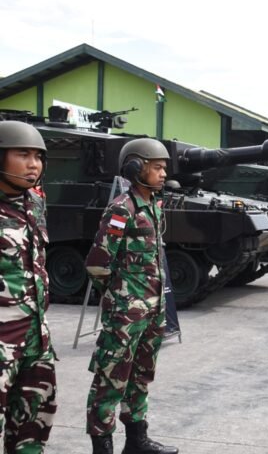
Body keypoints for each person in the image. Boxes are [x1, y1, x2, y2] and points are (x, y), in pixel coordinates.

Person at [85, 138, 178, 454]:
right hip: (126, 315)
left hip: (152, 311)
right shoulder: (120, 209)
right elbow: (98, 264)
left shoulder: (153, 205)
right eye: (157, 167)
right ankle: (103, 447)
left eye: (165, 167)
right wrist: (120, 300)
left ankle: (137, 441)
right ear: (136, 167)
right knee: (110, 381)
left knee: (141, 378)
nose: (164, 173)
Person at [0, 121, 57, 453]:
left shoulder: (35, 202)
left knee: (34, 425)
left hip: (35, 337)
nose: (33, 164)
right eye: (23, 154)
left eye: (38, 156)